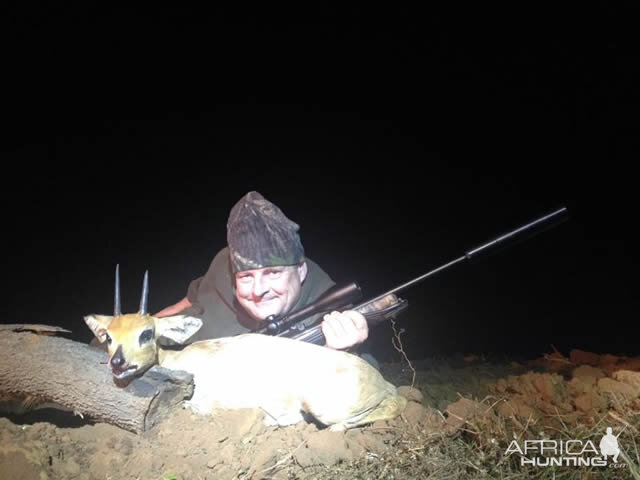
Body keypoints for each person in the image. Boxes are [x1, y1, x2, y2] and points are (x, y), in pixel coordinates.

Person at [155, 191, 371, 355]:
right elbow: (192, 298)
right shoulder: (223, 264)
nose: (258, 290)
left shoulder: (332, 311)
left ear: (301, 271)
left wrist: (338, 354)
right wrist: (138, 323)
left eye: (273, 273)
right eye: (246, 276)